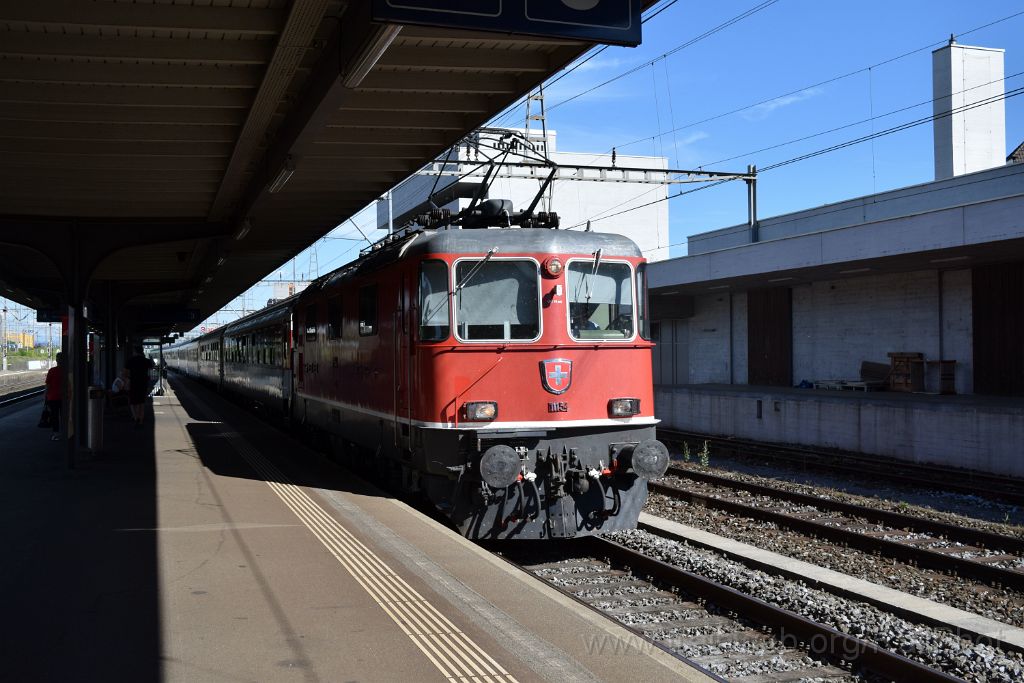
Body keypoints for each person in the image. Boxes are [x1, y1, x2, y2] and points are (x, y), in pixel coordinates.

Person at [125, 347, 155, 427]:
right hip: (143, 384)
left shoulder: (130, 360)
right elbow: (153, 366)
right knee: (141, 403)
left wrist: (127, 382)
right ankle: (141, 419)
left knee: (133, 402)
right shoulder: (145, 360)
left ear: (134, 351)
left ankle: (136, 417)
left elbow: (126, 373)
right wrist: (151, 358)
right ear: (142, 352)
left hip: (133, 384)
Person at [44, 352, 64, 441]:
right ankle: (67, 433)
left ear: (56, 360)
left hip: (53, 398)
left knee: (55, 417)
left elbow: (48, 385)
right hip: (65, 397)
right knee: (65, 416)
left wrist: (45, 396)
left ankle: (56, 434)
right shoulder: (68, 371)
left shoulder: (52, 371)